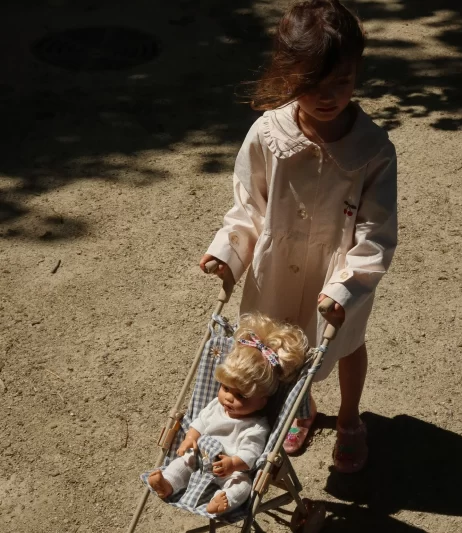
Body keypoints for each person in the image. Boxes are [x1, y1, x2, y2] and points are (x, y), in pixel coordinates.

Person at [200, 0, 397, 474]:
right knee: (272, 349)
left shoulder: (372, 149)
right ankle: (300, 406)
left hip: (338, 275)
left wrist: (347, 288)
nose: (328, 96)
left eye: (341, 82)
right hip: (275, 271)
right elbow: (249, 206)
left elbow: (375, 230)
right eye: (312, 84)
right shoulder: (268, 135)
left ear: (357, 71)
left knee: (345, 345)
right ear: (288, 74)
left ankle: (349, 420)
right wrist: (228, 252)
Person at [148, 313, 308, 514]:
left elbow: (250, 454)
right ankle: (167, 484)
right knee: (182, 462)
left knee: (243, 486)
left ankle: (222, 500)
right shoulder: (216, 405)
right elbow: (199, 422)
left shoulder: (256, 426)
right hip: (200, 458)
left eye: (240, 395)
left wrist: (232, 464)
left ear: (262, 401)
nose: (228, 398)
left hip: (230, 470)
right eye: (225, 388)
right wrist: (190, 439)